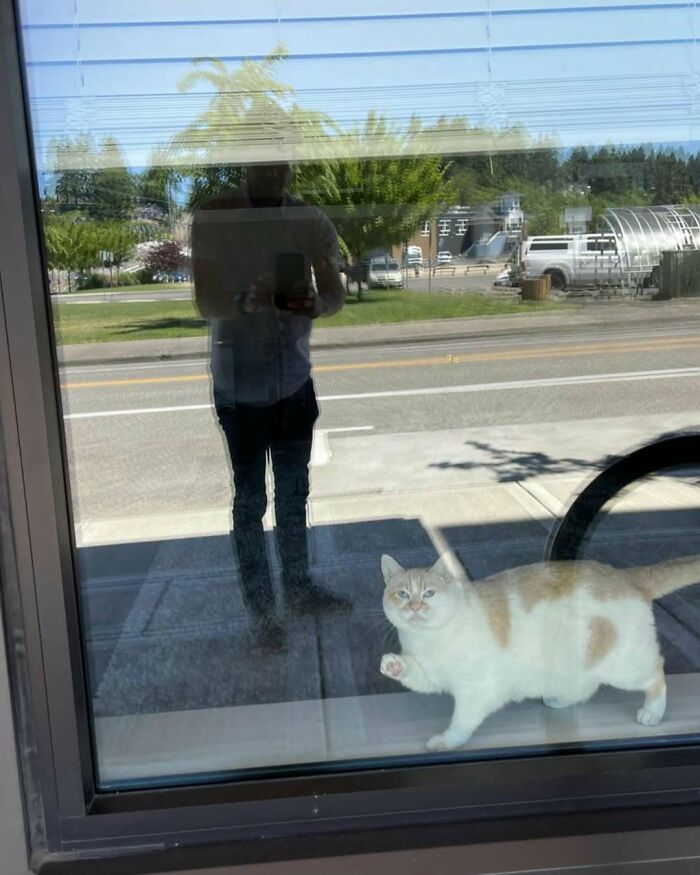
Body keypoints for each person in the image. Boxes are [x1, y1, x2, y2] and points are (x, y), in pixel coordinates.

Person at [191, 163, 349, 650]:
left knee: (293, 493)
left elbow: (334, 294)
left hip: (292, 378)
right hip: (238, 383)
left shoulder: (310, 220)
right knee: (250, 502)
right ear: (244, 164)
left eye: (279, 162)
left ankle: (298, 590)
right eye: (262, 161)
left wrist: (315, 305)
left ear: (290, 165)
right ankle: (262, 614)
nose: (271, 171)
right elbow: (205, 301)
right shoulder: (215, 216)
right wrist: (246, 299)